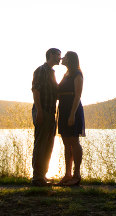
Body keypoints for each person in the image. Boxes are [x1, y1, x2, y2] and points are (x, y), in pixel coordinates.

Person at [31, 47, 61, 186]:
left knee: (49, 144)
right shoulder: (41, 70)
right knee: (41, 143)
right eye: (58, 55)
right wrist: (39, 111)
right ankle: (37, 178)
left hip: (51, 112)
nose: (60, 58)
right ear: (51, 55)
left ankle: (43, 175)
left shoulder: (52, 72)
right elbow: (36, 90)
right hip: (43, 111)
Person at [56, 51, 85, 186]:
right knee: (66, 143)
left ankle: (76, 175)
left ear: (70, 59)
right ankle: (67, 174)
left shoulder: (77, 74)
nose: (62, 58)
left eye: (65, 57)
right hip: (63, 109)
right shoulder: (66, 74)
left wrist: (72, 114)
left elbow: (77, 95)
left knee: (74, 141)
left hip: (73, 109)